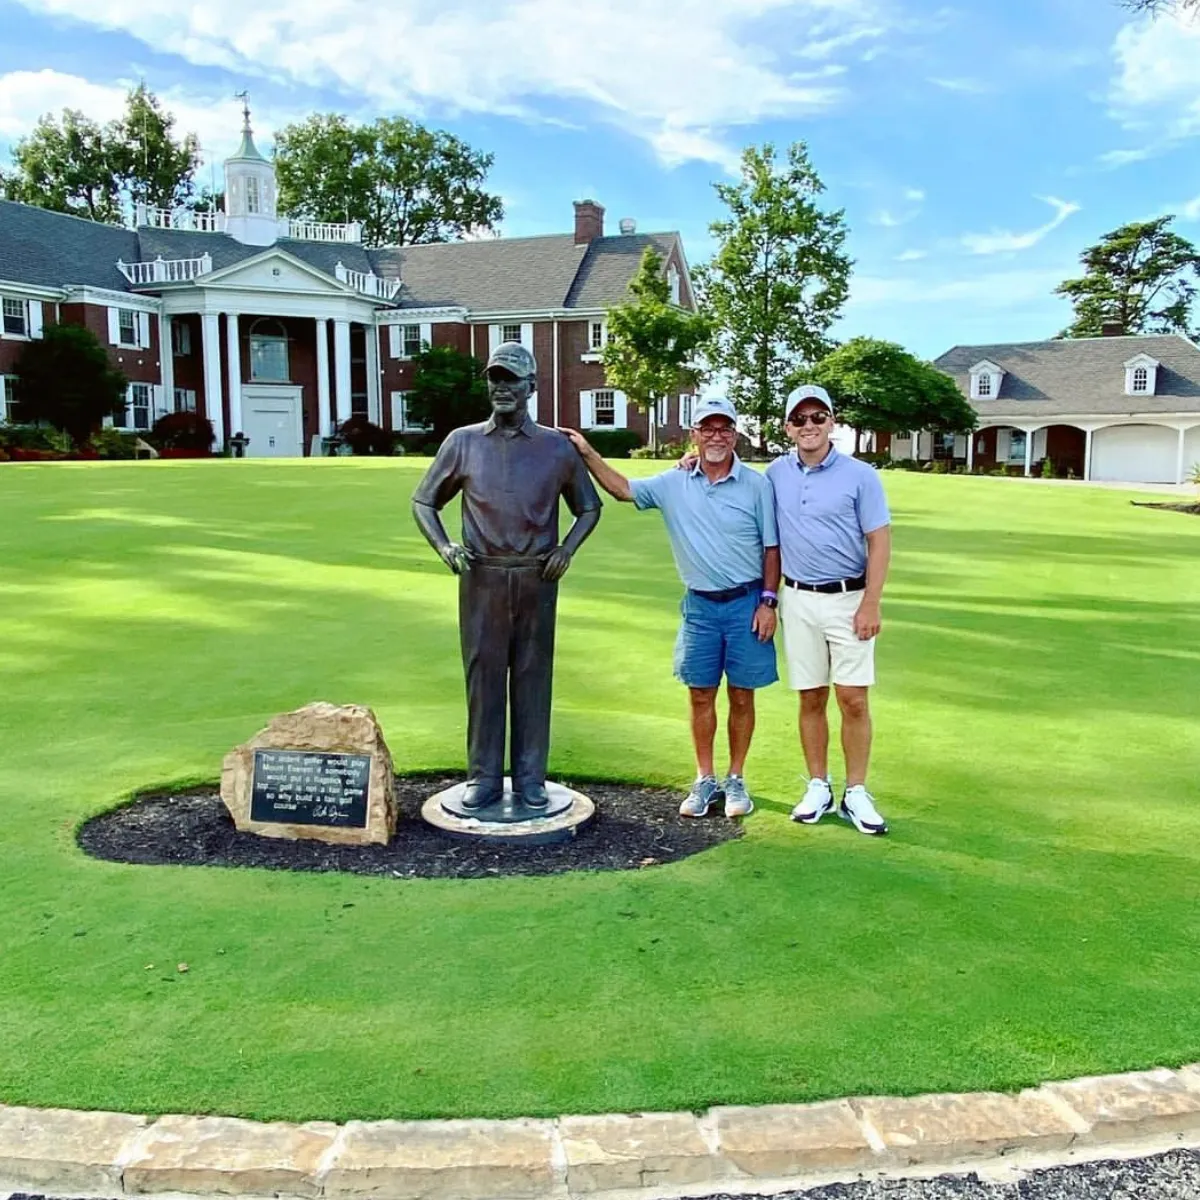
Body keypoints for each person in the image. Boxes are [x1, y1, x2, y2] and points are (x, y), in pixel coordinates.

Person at [563, 398, 780, 819]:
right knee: (700, 694)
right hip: (699, 607)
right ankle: (704, 778)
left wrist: (769, 601)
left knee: (741, 694)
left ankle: (736, 778)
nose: (716, 436)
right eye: (707, 428)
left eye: (724, 428)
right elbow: (624, 489)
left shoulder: (757, 486)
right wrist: (587, 452)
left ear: (734, 434)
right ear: (694, 434)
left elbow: (772, 548)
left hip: (747, 603)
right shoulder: (673, 482)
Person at [412, 342, 602, 815]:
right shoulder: (463, 442)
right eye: (495, 378)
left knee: (534, 679)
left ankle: (532, 778)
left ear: (531, 387)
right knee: (484, 677)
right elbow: (423, 501)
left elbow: (589, 507)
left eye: (511, 379)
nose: (501, 388)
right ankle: (483, 778)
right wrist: (444, 545)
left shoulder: (557, 447)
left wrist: (566, 549)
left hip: (537, 578)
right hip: (482, 578)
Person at [766, 384, 892, 835]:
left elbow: (879, 540)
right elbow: (730, 474)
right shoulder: (776, 473)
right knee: (811, 696)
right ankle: (818, 784)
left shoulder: (861, 475)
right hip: (797, 599)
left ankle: (856, 791)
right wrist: (690, 460)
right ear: (788, 427)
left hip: (849, 599)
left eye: (818, 417)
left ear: (832, 422)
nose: (809, 426)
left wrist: (871, 602)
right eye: (799, 419)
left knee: (853, 698)